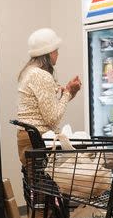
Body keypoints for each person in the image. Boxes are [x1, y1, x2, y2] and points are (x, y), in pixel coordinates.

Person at [16, 28, 81, 164]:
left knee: (34, 183)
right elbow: (52, 118)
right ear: (50, 52)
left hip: (28, 137)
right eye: (56, 50)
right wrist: (68, 92)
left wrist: (67, 95)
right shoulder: (41, 75)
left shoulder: (29, 71)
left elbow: (45, 109)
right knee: (43, 183)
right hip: (37, 139)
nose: (58, 54)